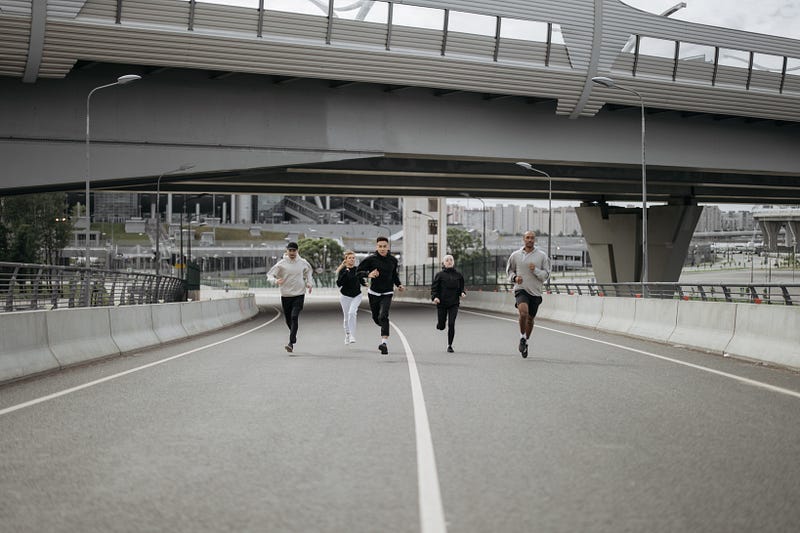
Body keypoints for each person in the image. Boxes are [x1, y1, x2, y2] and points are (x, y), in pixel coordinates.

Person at [505, 231, 550, 358]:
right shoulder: (515, 255)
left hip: (535, 292)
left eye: (532, 238)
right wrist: (514, 278)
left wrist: (535, 270)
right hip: (521, 289)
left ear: (535, 240)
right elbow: (509, 271)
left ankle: (526, 342)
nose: (530, 240)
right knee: (523, 313)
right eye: (527, 238)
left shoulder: (542, 256)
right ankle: (522, 337)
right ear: (523, 239)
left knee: (530, 319)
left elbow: (546, 275)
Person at [356, 236, 404, 355]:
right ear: (376, 247)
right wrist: (369, 274)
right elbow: (358, 272)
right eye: (380, 246)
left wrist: (399, 285)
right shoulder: (371, 260)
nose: (382, 248)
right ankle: (382, 325)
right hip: (374, 293)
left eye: (384, 246)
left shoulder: (393, 260)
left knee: (383, 316)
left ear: (388, 247)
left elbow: (394, 275)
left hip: (387, 292)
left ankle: (384, 344)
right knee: (376, 318)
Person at [267, 241, 313, 353]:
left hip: (299, 294)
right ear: (287, 251)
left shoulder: (303, 262)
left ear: (297, 251)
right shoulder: (281, 264)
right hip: (286, 295)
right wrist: (275, 280)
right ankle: (294, 335)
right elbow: (269, 275)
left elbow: (309, 272)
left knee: (294, 317)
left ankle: (291, 343)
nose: (292, 252)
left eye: (294, 250)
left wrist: (309, 283)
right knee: (288, 320)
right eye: (290, 250)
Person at [431, 254, 466, 353]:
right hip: (441, 303)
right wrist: (435, 297)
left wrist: (462, 293)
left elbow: (461, 288)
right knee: (442, 326)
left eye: (451, 260)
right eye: (447, 260)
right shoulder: (439, 275)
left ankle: (450, 345)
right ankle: (440, 324)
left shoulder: (459, 275)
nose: (449, 261)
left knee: (451, 323)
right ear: (443, 263)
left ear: (453, 262)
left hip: (454, 303)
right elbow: (434, 288)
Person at [336, 249, 365, 344]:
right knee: (346, 317)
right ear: (346, 259)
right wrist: (345, 273)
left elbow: (361, 279)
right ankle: (347, 335)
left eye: (353, 258)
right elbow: (339, 283)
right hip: (345, 296)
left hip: (357, 295)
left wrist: (365, 283)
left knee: (352, 313)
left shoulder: (357, 269)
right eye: (350, 258)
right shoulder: (342, 270)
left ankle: (352, 335)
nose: (352, 260)